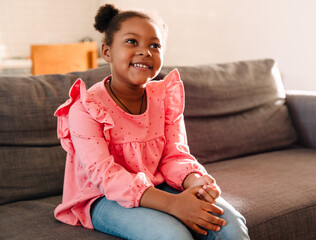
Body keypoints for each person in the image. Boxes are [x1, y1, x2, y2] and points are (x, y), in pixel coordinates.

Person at [54, 4, 250, 240]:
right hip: (103, 197)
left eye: (154, 45)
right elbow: (105, 176)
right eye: (131, 42)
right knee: (171, 235)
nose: (145, 51)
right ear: (107, 51)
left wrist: (195, 182)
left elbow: (174, 156)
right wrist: (174, 204)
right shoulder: (85, 107)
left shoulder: (164, 98)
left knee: (230, 225)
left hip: (157, 184)